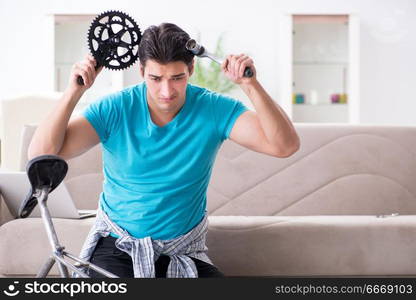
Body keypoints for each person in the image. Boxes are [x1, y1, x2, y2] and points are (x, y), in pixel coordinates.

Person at [28, 23, 300, 278]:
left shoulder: (214, 109)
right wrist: (74, 92)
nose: (166, 91)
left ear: (191, 69)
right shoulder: (115, 109)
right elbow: (41, 153)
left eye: (177, 78)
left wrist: (250, 85)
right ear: (141, 72)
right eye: (156, 78)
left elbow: (284, 145)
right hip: (117, 248)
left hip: (182, 251)